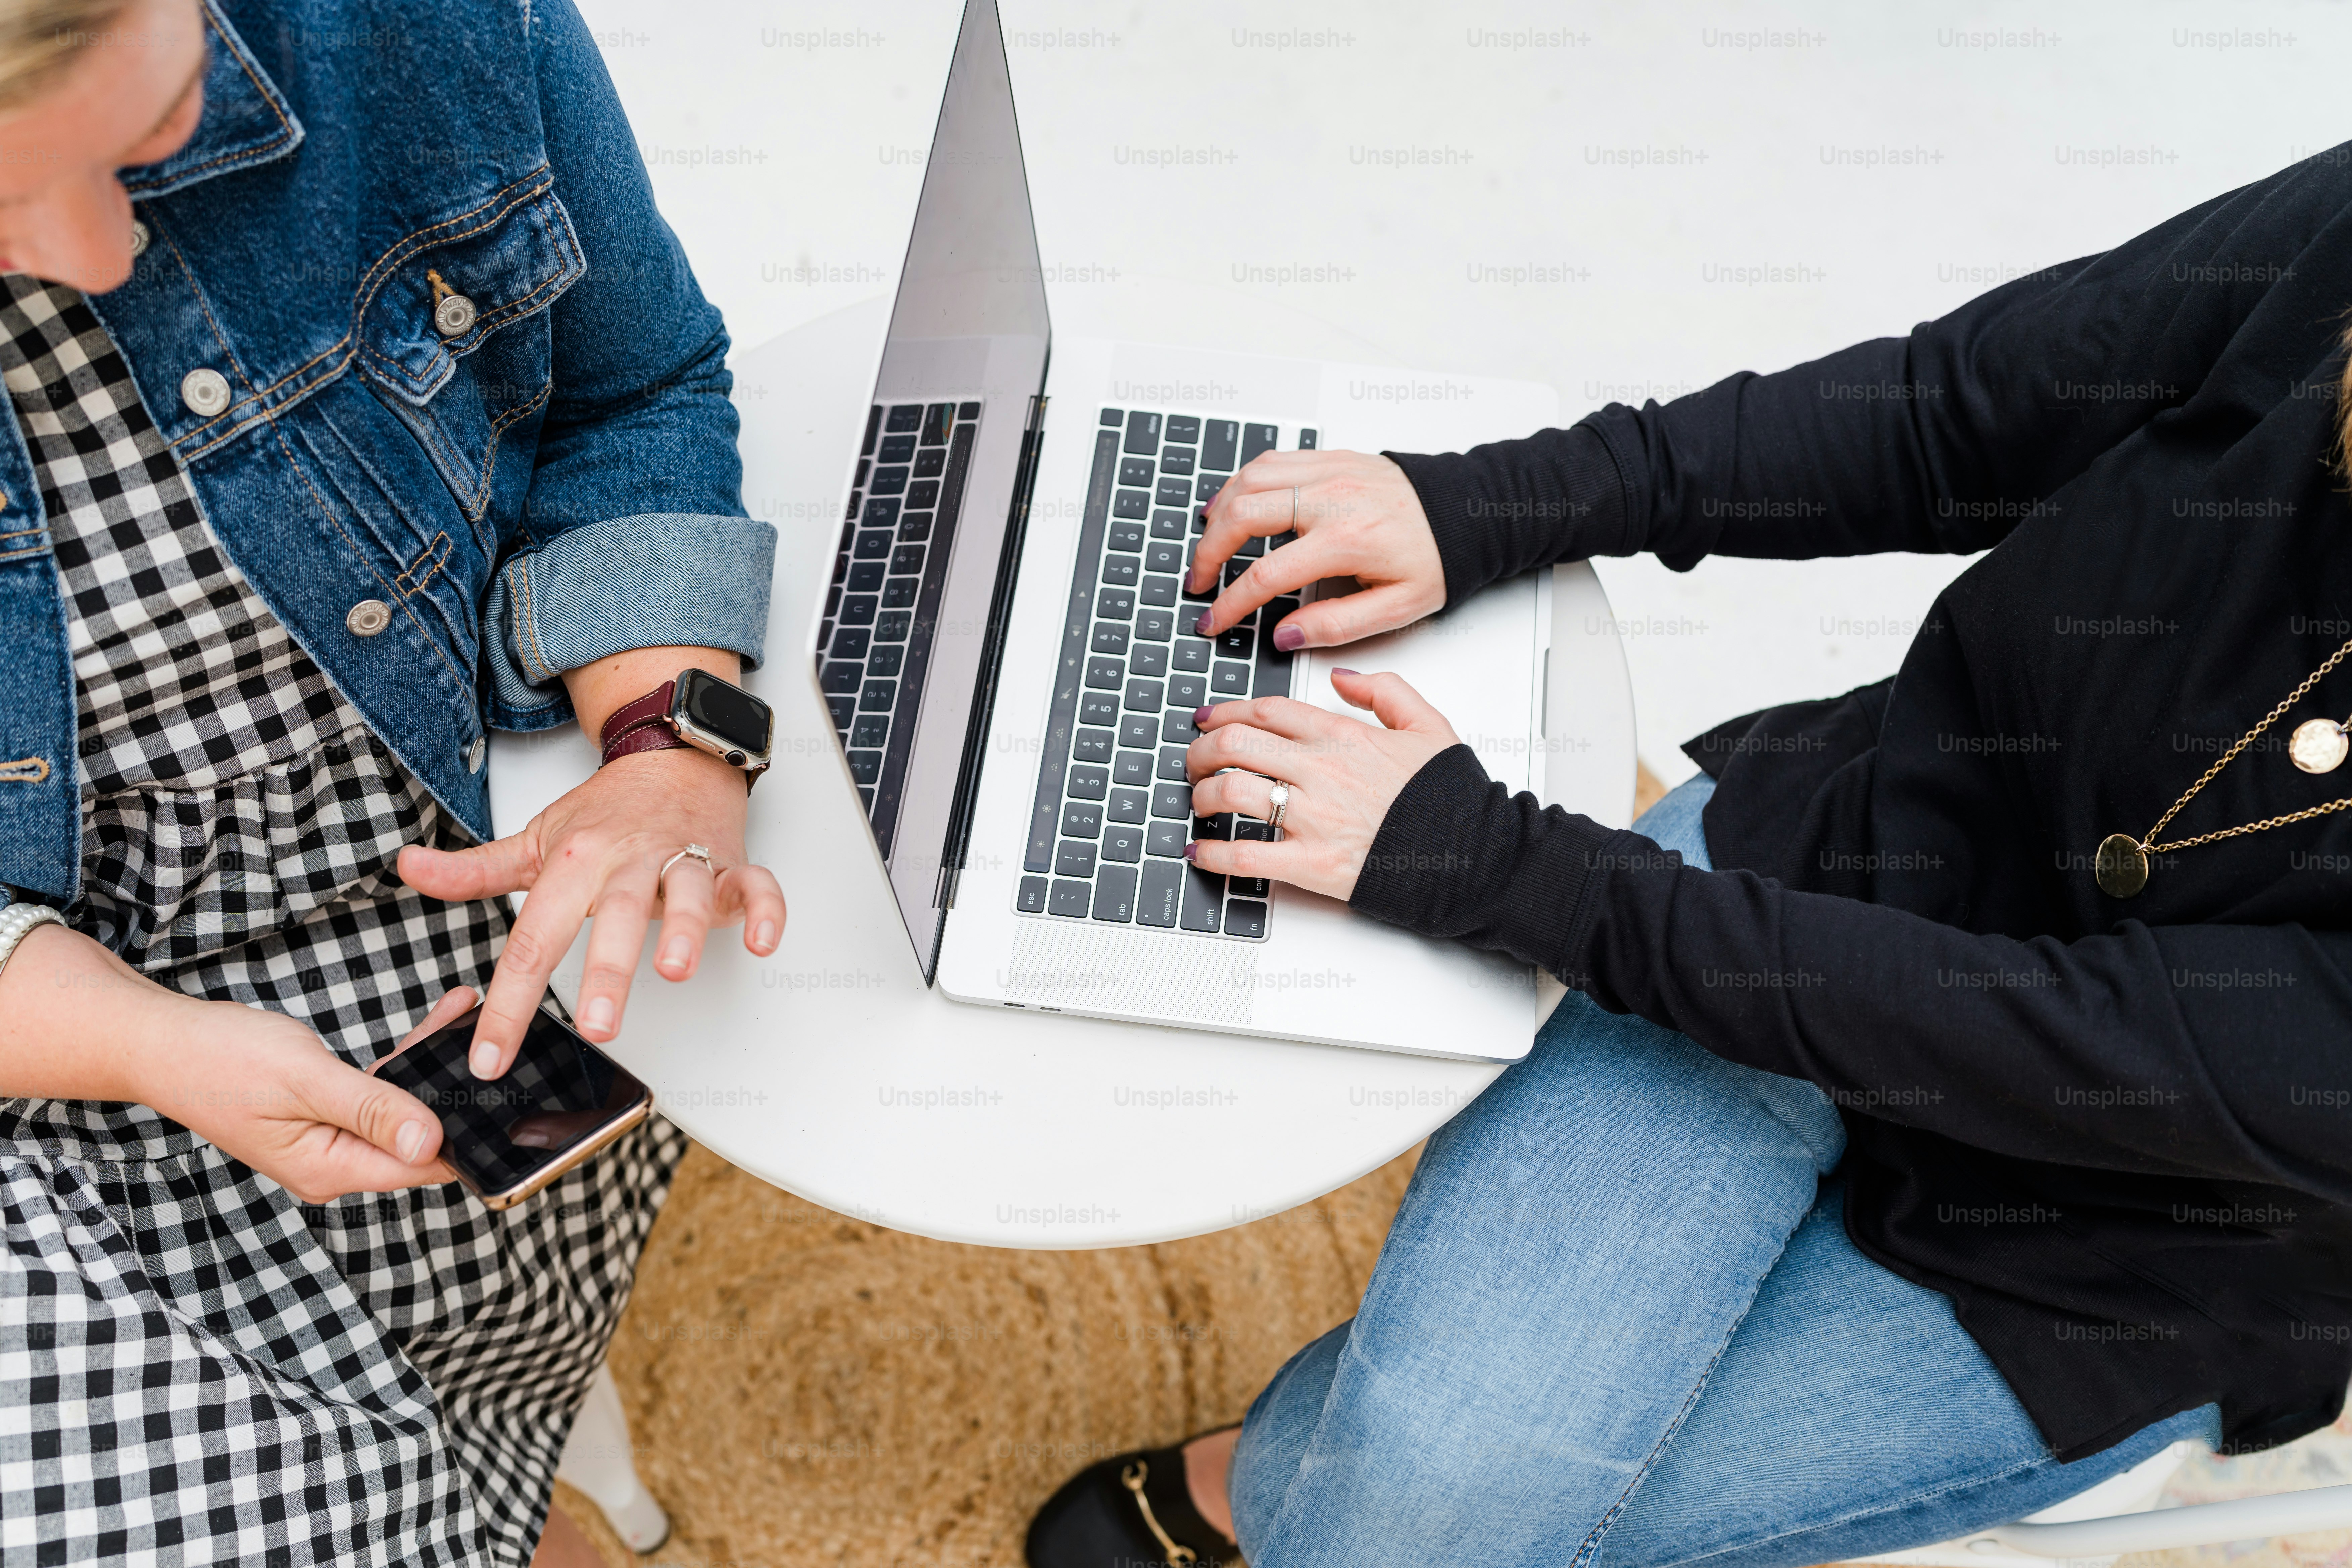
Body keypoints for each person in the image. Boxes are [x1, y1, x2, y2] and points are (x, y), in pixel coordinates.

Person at [1028, 149, 2352, 1568]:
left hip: (2125, 1256)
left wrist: (1492, 863)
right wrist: (1510, 497)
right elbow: (1960, 410)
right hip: (1829, 866)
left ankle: (1269, 1480)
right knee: (1429, 1489)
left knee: (1399, 1516)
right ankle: (1313, 1474)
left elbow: (2062, 1036)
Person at [0, 0, 784, 1562]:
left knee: (487, 1317)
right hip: (49, 1019)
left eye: (153, 140)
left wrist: (667, 741)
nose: (92, 260)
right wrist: (147, 1045)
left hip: (444, 837)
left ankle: (495, 1498)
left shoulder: (411, 25)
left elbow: (635, 390)